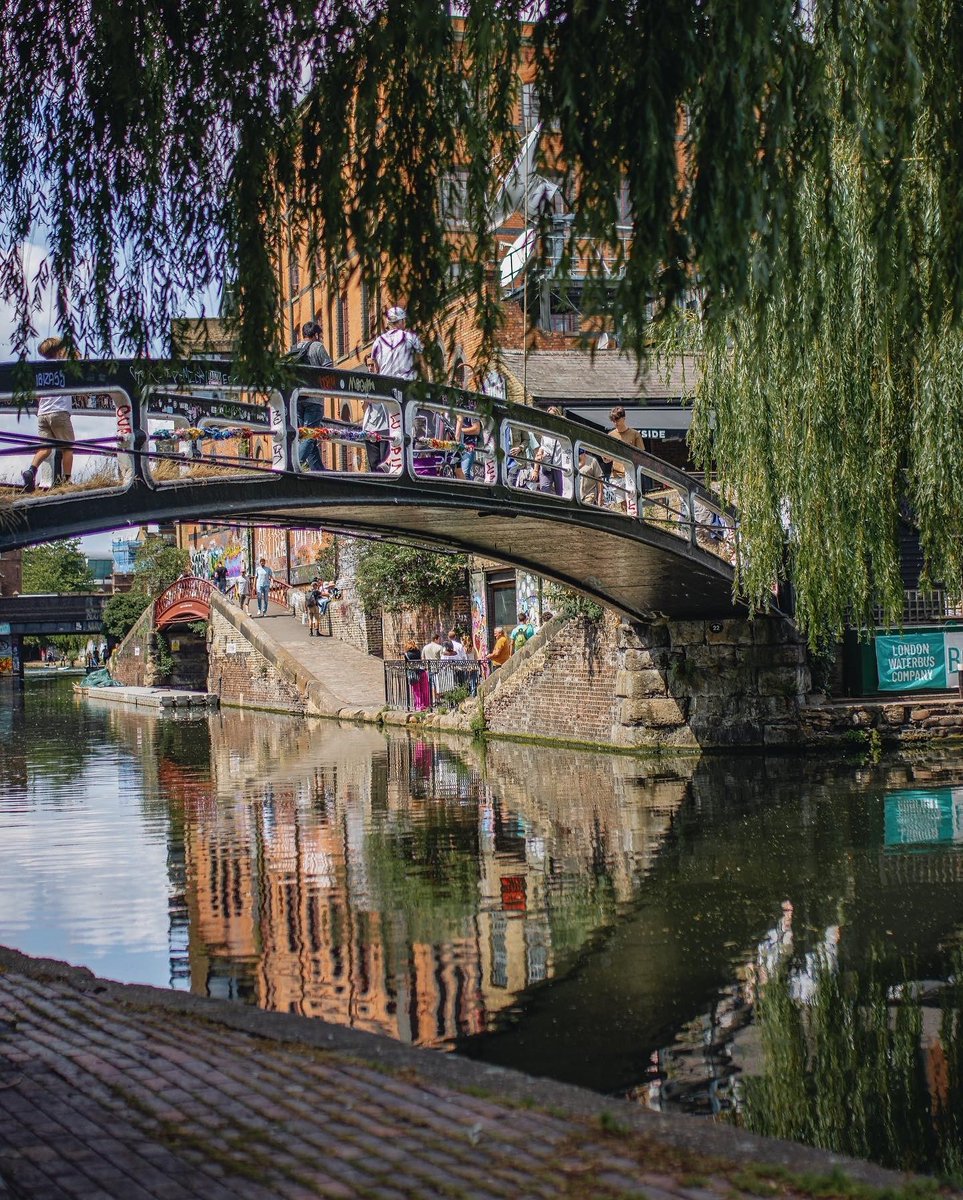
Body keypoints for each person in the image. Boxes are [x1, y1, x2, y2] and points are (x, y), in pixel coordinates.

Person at [22, 336, 74, 492]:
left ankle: (31, 470)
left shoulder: (41, 369)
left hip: (43, 413)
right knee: (68, 447)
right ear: (59, 351)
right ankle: (66, 481)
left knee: (45, 449)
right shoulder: (63, 365)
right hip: (59, 412)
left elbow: (37, 395)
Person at [605, 405, 645, 510]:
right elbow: (606, 458)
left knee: (632, 504)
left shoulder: (635, 434)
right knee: (623, 505)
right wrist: (606, 457)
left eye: (617, 420)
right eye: (613, 420)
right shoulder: (611, 435)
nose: (615, 423)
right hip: (616, 475)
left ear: (624, 418)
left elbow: (642, 456)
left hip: (631, 474)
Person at [370, 306, 423, 380]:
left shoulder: (378, 341)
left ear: (388, 323)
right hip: (407, 385)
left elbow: (376, 369)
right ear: (401, 321)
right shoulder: (411, 337)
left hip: (385, 385)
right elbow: (421, 363)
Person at [454, 411, 482, 481]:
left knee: (464, 473)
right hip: (453, 446)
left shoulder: (469, 409)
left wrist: (458, 431)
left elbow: (476, 429)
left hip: (467, 447)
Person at [404, 640, 430, 711]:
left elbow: (407, 664)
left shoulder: (407, 654)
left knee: (417, 690)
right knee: (424, 689)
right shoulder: (418, 651)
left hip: (414, 673)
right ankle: (425, 705)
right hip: (422, 671)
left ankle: (418, 706)